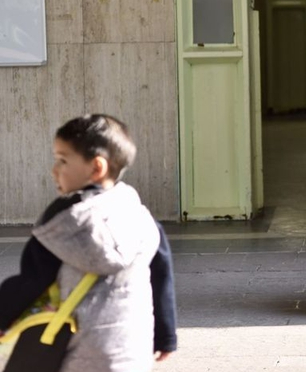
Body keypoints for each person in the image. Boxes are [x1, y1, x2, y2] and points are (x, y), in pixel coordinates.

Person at [0, 114, 178, 371]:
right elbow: (160, 276)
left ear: (96, 167)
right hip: (128, 348)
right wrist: (165, 335)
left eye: (62, 160)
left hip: (76, 350)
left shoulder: (64, 221)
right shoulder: (140, 216)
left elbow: (32, 281)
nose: (54, 169)